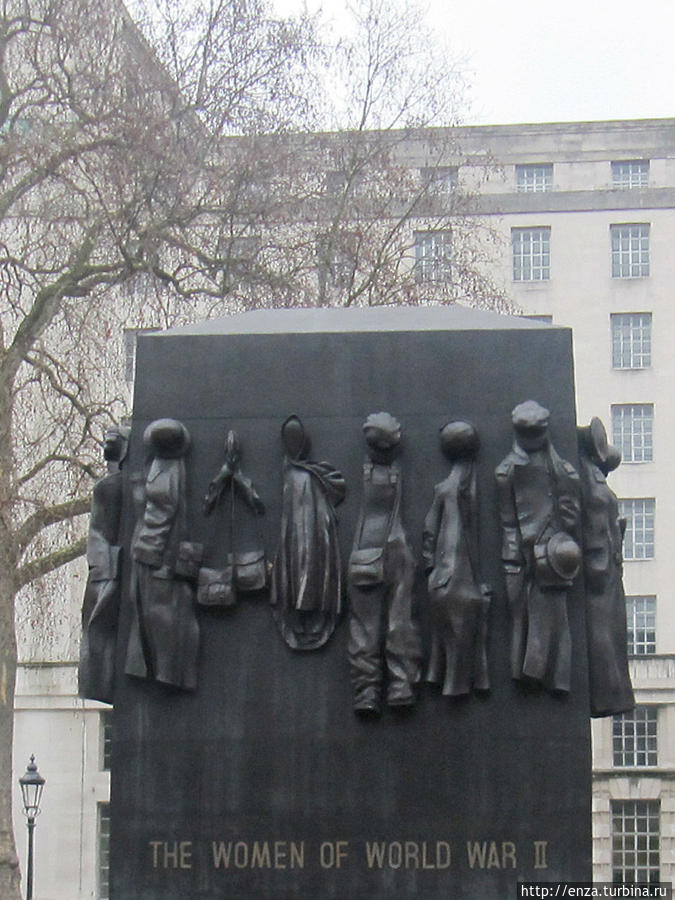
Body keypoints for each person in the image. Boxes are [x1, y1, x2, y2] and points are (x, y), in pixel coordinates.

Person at [495, 401, 581, 693]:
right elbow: (507, 520)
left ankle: (552, 676)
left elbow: (571, 514)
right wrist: (516, 557)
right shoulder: (506, 472)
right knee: (520, 616)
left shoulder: (563, 470)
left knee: (558, 620)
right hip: (521, 555)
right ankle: (526, 672)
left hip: (553, 555)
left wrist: (554, 545)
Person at [348, 412, 421, 715]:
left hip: (366, 554)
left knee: (367, 628)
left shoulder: (369, 474)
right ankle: (400, 686)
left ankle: (368, 691)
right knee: (399, 622)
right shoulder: (393, 474)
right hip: (394, 553)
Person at [423, 421, 490, 696]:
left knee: (455, 638)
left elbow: (429, 529)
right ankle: (454, 685)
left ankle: (447, 679)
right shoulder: (455, 487)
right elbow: (432, 529)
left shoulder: (450, 487)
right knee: (458, 638)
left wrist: (431, 565)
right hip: (453, 579)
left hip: (445, 578)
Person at [577, 418, 634, 717]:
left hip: (607, 562)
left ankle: (610, 692)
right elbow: (595, 525)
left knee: (609, 631)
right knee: (602, 629)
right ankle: (606, 693)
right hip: (601, 564)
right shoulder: (591, 482)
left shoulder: (594, 480)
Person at [78, 423, 131, 703]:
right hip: (107, 571)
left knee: (101, 631)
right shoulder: (109, 487)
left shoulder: (115, 487)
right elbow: (97, 536)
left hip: (111, 572)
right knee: (99, 632)